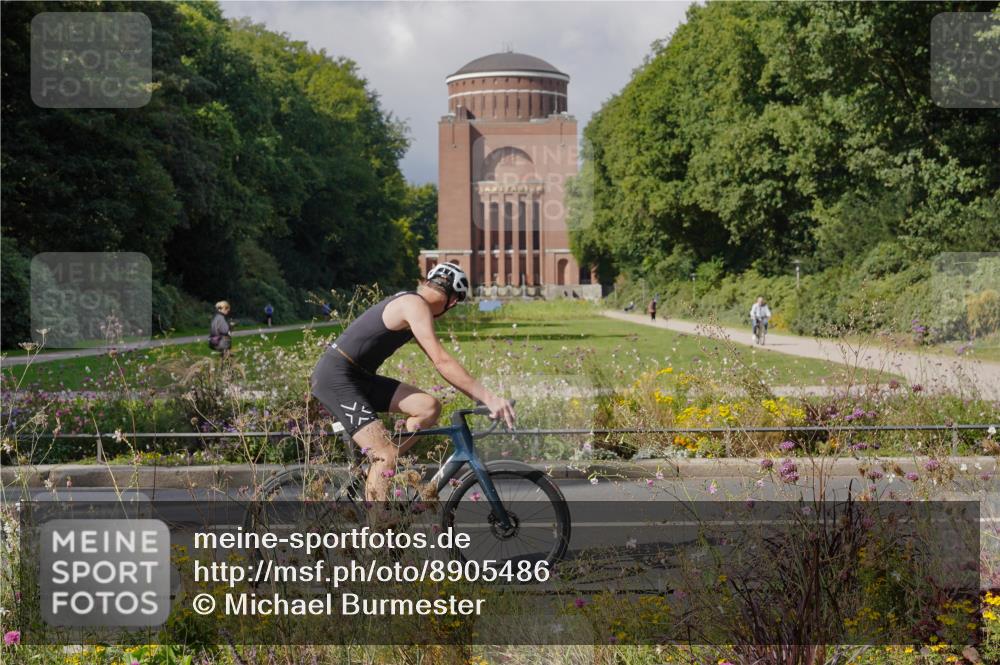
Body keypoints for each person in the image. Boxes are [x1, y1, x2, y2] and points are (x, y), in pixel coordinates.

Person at [310, 262, 515, 503]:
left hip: (357, 377)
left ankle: (378, 472)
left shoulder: (414, 304)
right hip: (336, 378)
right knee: (384, 454)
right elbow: (442, 361)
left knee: (428, 407)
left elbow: (437, 362)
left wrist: (480, 396)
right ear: (452, 301)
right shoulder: (414, 305)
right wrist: (489, 398)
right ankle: (376, 533)